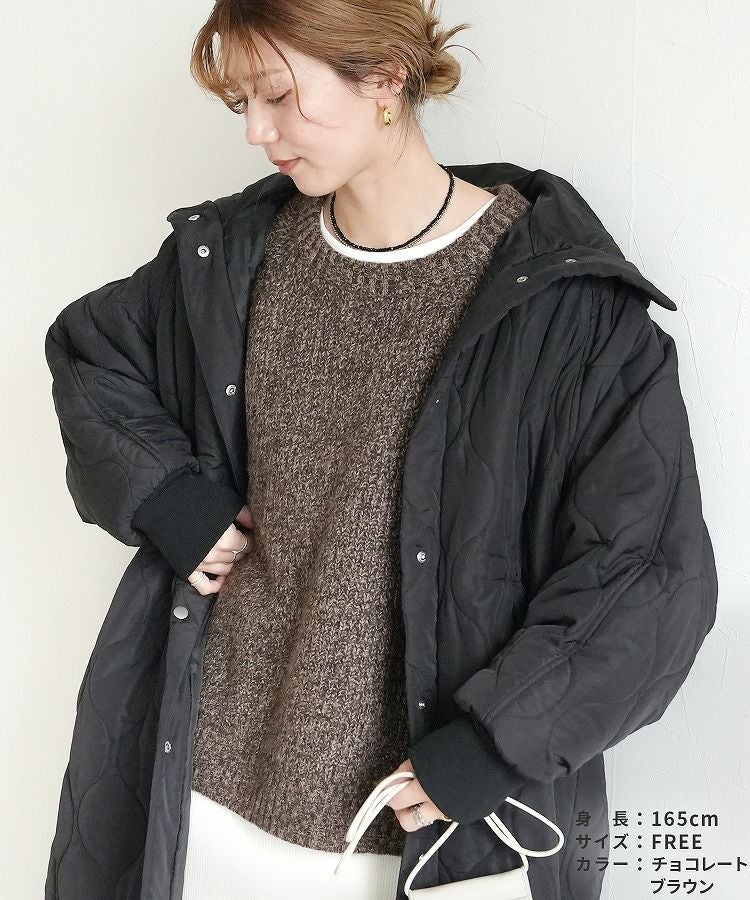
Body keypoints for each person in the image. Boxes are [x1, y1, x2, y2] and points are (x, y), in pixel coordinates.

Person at [44, 2, 718, 899]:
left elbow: (648, 573)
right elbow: (91, 354)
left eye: (278, 95)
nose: (255, 133)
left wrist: (493, 745)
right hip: (204, 795)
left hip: (432, 827)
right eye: (242, 103)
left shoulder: (572, 312)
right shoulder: (230, 258)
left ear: (386, 77)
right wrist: (171, 497)